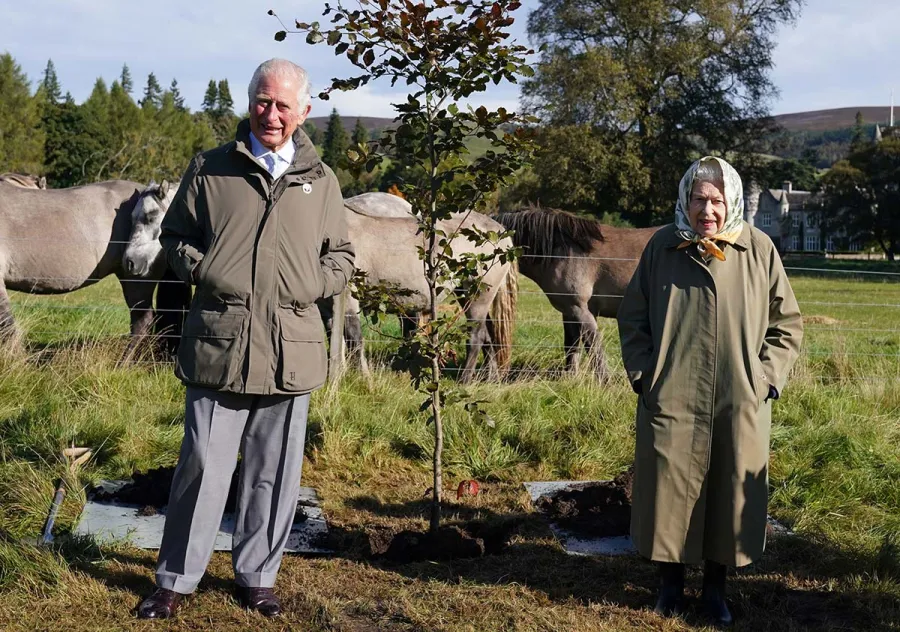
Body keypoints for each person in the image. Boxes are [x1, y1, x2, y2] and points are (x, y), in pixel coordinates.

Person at [136, 58, 354, 620]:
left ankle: (258, 578)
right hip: (221, 343)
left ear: (304, 111)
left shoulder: (322, 181)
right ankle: (175, 581)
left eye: (283, 105)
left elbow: (341, 255)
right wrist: (205, 269)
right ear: (249, 101)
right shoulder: (211, 168)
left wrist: (311, 284)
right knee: (202, 467)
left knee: (273, 473)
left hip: (290, 349)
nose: (271, 114)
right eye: (262, 101)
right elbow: (174, 236)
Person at [616, 157, 802, 626]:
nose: (708, 210)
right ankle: (670, 587)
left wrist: (765, 379)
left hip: (738, 397)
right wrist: (644, 376)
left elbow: (786, 324)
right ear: (686, 199)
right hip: (671, 394)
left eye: (717, 200)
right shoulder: (663, 246)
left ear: (731, 200)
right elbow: (633, 318)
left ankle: (715, 591)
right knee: (668, 490)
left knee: (728, 491)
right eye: (699, 199)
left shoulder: (757, 249)